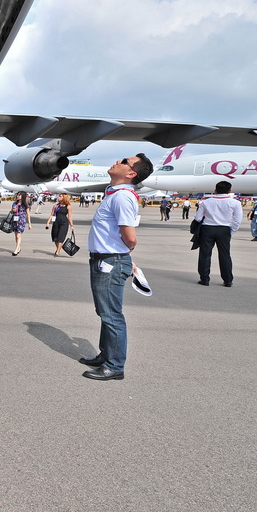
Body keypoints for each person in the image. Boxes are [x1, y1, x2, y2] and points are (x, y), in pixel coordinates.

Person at [80, 153, 154, 381]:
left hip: (110, 261)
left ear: (132, 173)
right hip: (105, 259)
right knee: (105, 312)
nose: (117, 162)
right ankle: (106, 355)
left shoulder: (122, 197)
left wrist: (123, 254)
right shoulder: (114, 194)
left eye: (124, 161)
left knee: (112, 315)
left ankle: (115, 365)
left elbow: (130, 238)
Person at [194, 180, 243, 287]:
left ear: (215, 190)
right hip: (224, 230)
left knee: (205, 255)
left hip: (207, 229)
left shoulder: (206, 202)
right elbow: (237, 220)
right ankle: (228, 280)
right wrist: (231, 231)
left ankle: (205, 279)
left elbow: (198, 218)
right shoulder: (235, 203)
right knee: (225, 255)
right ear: (230, 190)